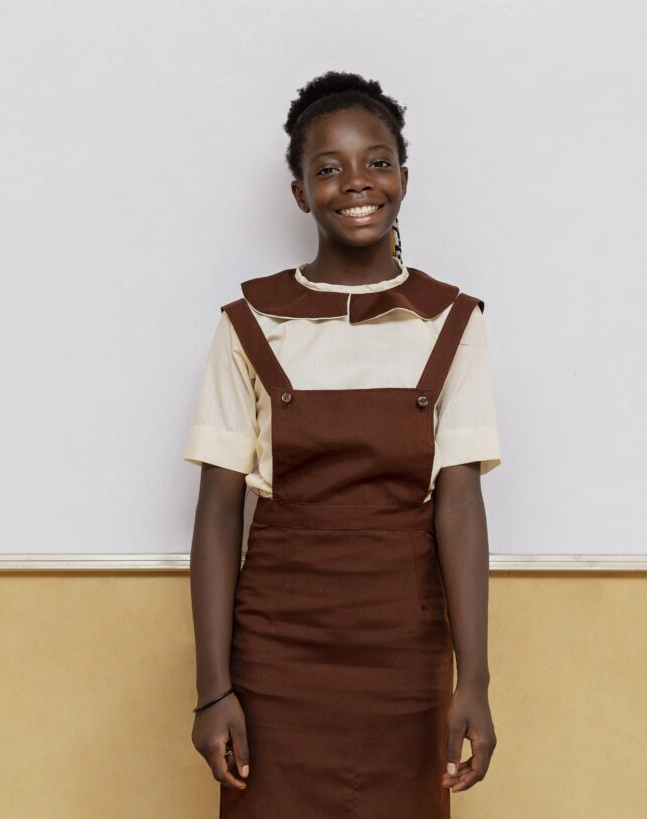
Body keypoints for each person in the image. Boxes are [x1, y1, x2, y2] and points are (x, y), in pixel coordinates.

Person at [184, 71, 501, 818]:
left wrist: (475, 681)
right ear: (299, 191)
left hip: (406, 660)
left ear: (403, 175)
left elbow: (459, 507)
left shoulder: (451, 322)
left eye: (377, 161)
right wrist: (212, 688)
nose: (356, 182)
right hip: (273, 661)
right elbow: (217, 514)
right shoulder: (250, 323)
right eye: (327, 167)